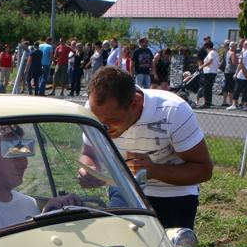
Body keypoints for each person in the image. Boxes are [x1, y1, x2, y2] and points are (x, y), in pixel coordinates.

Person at [80, 66, 214, 229]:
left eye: (112, 121)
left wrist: (154, 171)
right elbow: (89, 152)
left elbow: (204, 170)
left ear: (134, 105)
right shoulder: (95, 109)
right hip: (124, 191)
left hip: (172, 196)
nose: (104, 127)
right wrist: (90, 168)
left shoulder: (173, 111)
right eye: (98, 120)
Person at [0, 124, 79, 235]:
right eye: (14, 156)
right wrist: (33, 223)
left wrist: (45, 216)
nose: (24, 164)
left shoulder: (29, 204)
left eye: (24, 155)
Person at [228, 38, 247, 111]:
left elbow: (240, 64)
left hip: (241, 74)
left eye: (245, 44)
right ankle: (244, 104)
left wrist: (236, 73)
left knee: (237, 89)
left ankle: (234, 104)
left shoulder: (244, 52)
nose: (243, 45)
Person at [199, 41, 219, 107]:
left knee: (206, 87)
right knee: (209, 87)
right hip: (213, 72)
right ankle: (208, 101)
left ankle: (207, 102)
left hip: (209, 72)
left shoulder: (211, 53)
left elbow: (210, 61)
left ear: (206, 47)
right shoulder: (215, 52)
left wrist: (202, 66)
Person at [222, 42, 239, 106]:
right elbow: (234, 62)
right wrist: (239, 63)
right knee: (231, 88)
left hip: (227, 71)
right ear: (233, 47)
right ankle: (231, 102)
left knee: (226, 87)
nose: (236, 48)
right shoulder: (232, 53)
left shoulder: (228, 52)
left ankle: (224, 101)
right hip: (231, 72)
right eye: (235, 46)